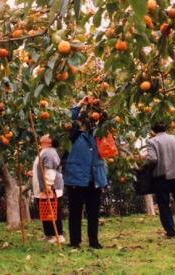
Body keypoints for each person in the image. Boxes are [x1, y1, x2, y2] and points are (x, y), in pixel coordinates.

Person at [64, 96, 108, 249]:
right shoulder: (74, 135)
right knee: (75, 212)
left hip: (94, 179)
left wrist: (97, 107)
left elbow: (105, 121)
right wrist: (79, 105)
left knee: (93, 212)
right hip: (76, 178)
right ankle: (75, 241)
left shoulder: (98, 135)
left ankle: (93, 240)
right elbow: (71, 120)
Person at [142, 121, 175, 238]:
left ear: (153, 131)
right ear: (166, 129)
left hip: (161, 177)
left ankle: (171, 232)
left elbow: (152, 159)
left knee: (164, 204)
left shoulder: (152, 141)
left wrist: (144, 168)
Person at [30, 134, 65, 244]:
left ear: (50, 141)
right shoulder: (44, 151)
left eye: (47, 135)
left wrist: (48, 185)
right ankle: (49, 234)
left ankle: (58, 235)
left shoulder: (50, 152)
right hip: (43, 187)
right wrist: (34, 173)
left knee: (52, 210)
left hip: (50, 187)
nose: (43, 135)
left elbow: (51, 170)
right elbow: (43, 168)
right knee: (45, 210)